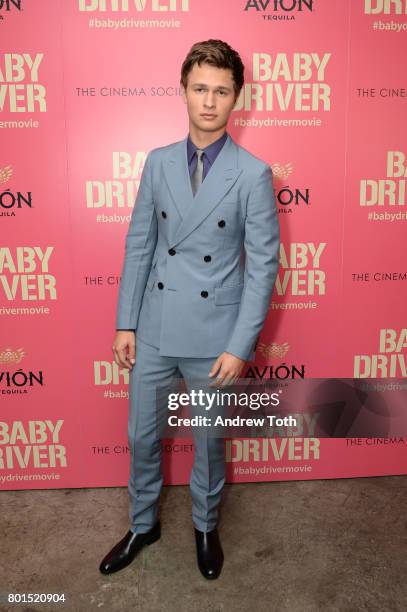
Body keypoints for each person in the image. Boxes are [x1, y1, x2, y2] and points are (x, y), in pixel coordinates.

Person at [99, 39, 280, 580]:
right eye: (200, 88)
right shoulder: (156, 163)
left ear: (236, 98)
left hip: (214, 337)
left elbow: (263, 268)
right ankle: (142, 523)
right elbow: (139, 245)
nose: (209, 101)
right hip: (153, 326)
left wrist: (239, 345)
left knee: (207, 441)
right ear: (183, 90)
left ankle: (205, 525)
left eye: (221, 91)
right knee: (142, 435)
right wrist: (125, 322)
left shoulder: (252, 174)